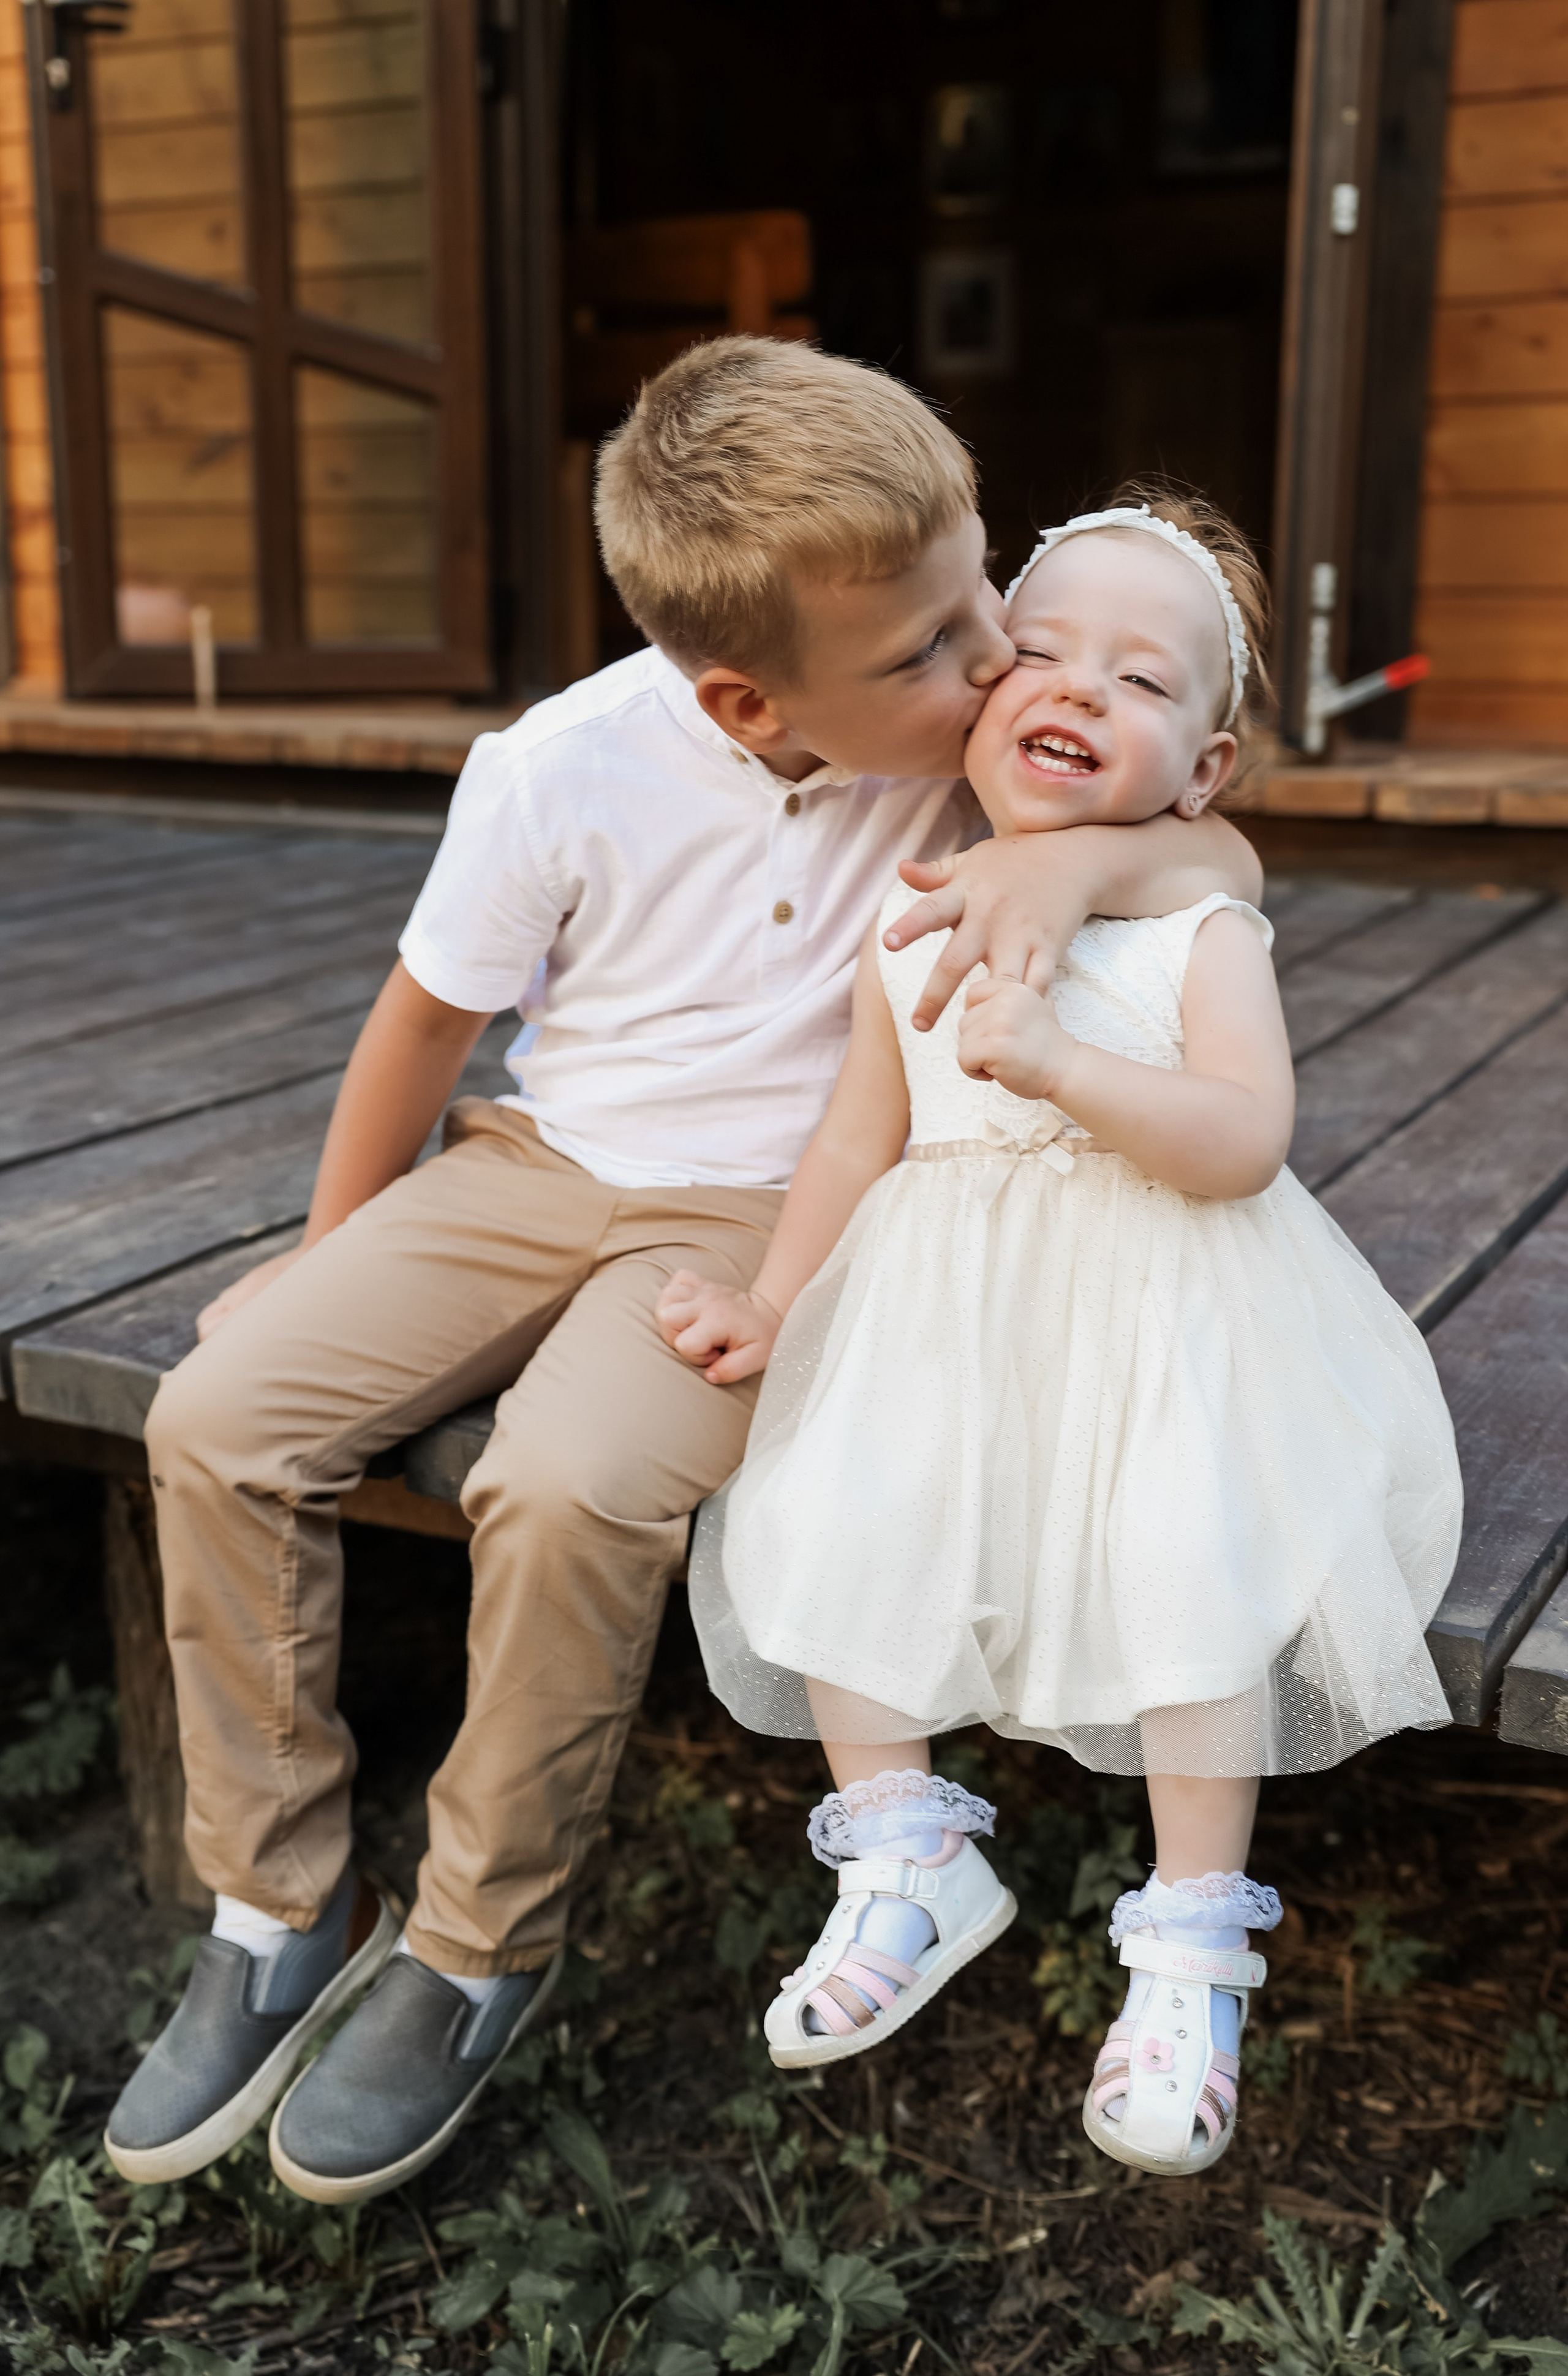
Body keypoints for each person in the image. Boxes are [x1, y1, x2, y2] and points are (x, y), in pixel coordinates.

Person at [104, 344, 1262, 2208]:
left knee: (563, 1486)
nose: (994, 658)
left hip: (765, 1213)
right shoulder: (560, 768)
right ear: (746, 692)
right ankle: (276, 1902)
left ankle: (479, 1941)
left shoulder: (968, 742)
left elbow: (1210, 835)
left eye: (989, 597)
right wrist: (324, 1265)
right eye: (938, 642)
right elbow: (421, 1028)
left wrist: (1075, 875)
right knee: (216, 1415)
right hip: (535, 1160)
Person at [659, 489, 1461, 2179]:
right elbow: (854, 1143)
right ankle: (901, 1856)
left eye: (1145, 680)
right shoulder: (916, 906)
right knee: (840, 1506)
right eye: (1044, 650)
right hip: (948, 1327)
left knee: (1192, 1564)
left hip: (1168, 1320)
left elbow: (1243, 1134)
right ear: (978, 683)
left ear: (1208, 772)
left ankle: (1187, 1946)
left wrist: (1071, 1068)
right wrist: (774, 1304)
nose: (1081, 689)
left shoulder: (1195, 921)